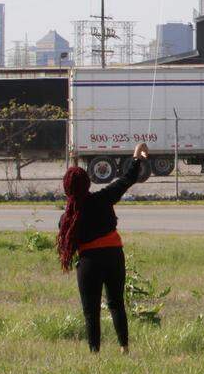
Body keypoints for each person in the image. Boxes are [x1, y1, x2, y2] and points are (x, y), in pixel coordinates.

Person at [56, 142, 150, 354]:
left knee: (91, 312)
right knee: (116, 303)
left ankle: (94, 352)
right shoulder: (103, 198)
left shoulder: (68, 218)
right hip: (114, 255)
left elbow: (67, 238)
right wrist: (137, 157)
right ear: (88, 183)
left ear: (66, 189)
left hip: (89, 262)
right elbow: (126, 180)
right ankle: (124, 347)